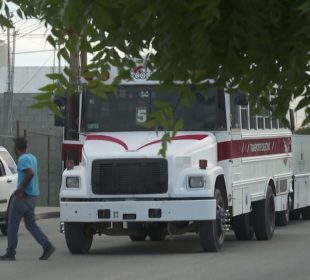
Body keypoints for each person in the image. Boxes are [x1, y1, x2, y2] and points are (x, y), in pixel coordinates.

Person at [0, 137, 55, 261]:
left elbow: (30, 173)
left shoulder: (22, 159)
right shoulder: (32, 157)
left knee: (12, 225)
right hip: (32, 197)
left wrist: (20, 189)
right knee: (31, 225)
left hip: (22, 197)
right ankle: (47, 246)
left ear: (17, 148)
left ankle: (10, 253)